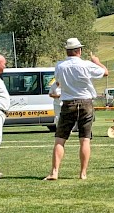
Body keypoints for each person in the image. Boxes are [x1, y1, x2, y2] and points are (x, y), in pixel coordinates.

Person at [44, 38, 108, 180]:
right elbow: (105, 72)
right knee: (85, 139)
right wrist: (96, 61)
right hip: (86, 103)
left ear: (67, 51)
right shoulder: (86, 64)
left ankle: (54, 172)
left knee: (60, 139)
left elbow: (59, 82)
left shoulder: (60, 65)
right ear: (79, 50)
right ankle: (82, 173)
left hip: (68, 103)